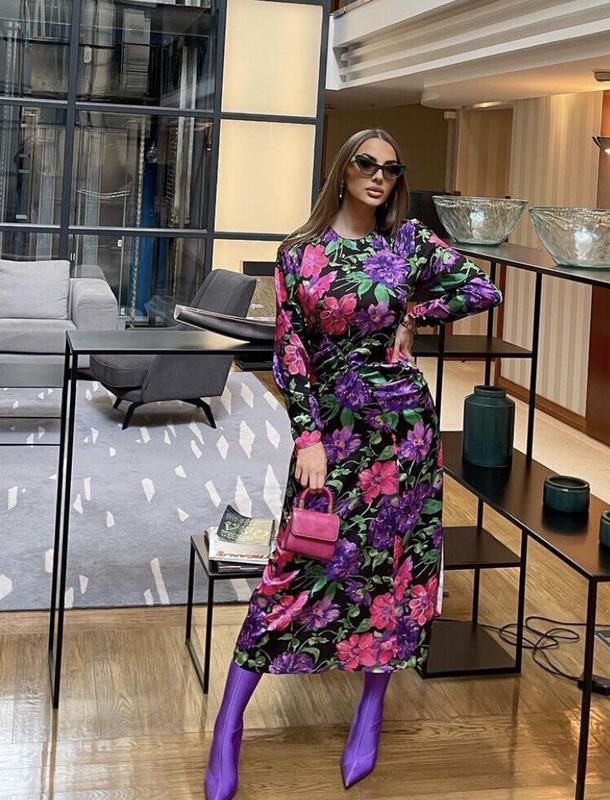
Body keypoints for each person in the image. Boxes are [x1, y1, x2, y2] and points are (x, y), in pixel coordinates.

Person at [204, 128, 503, 799]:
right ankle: (229, 724)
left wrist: (415, 314)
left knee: (392, 571)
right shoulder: (300, 253)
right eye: (367, 163)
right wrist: (306, 435)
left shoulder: (408, 243)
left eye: (391, 169)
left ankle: (371, 708)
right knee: (296, 566)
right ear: (343, 170)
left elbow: (483, 290)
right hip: (333, 434)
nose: (378, 176)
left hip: (403, 434)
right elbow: (290, 353)